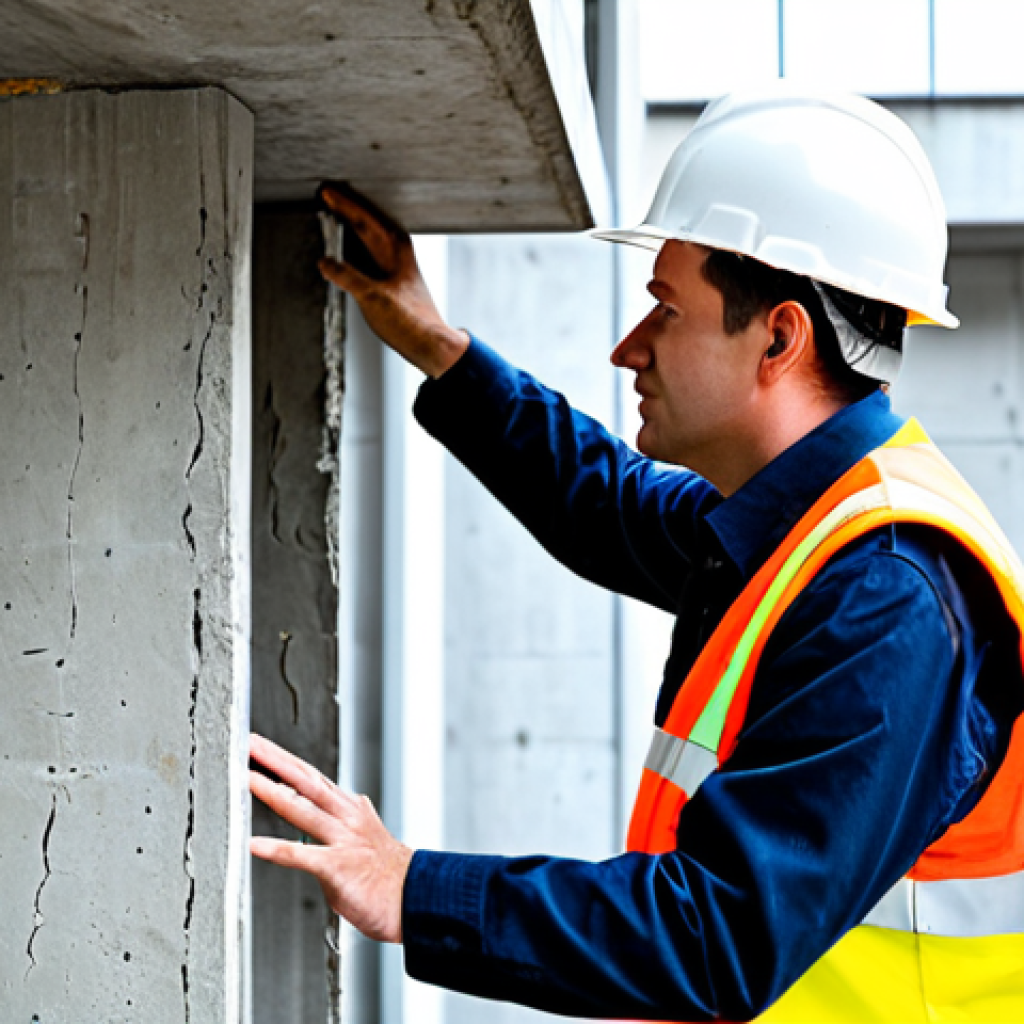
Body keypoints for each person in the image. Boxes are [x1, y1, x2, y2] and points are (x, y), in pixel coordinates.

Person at [249, 86, 1024, 1022]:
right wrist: (440, 347)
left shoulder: (885, 595)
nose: (628, 349)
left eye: (666, 309)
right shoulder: (810, 521)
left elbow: (719, 936)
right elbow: (607, 504)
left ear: (779, 336)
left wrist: (411, 886)